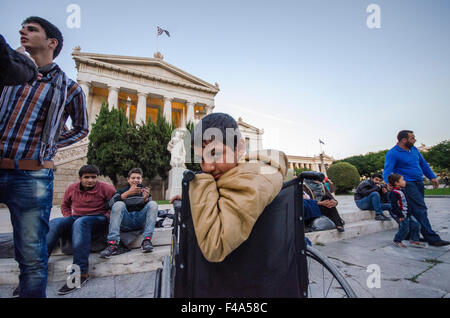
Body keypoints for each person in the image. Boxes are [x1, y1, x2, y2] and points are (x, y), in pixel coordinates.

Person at [0, 17, 89, 298]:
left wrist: (48, 146)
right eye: (22, 27)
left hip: (32, 175)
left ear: (52, 43)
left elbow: (82, 128)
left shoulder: (69, 88)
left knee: (32, 258)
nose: (22, 31)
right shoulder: (6, 73)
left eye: (31, 29)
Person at [170, 112, 288, 262]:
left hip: (243, 272)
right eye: (201, 158)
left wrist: (200, 185)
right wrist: (194, 198)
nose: (208, 167)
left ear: (239, 148)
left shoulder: (254, 179)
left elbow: (214, 245)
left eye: (215, 153)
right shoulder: (245, 173)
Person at [46, 165, 116, 295]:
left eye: (93, 177)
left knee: (81, 223)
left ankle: (80, 274)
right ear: (80, 178)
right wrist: (68, 218)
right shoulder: (72, 189)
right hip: (76, 217)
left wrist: (107, 217)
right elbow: (65, 205)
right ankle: (36, 272)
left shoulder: (106, 188)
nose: (90, 180)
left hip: (98, 218)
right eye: (86, 177)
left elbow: (116, 206)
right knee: (54, 223)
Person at [383, 130, 449, 247]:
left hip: (419, 182)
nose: (415, 140)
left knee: (412, 210)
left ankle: (408, 234)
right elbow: (388, 170)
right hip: (407, 184)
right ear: (404, 140)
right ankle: (432, 238)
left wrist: (432, 177)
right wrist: (388, 182)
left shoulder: (414, 149)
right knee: (420, 209)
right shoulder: (392, 153)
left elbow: (423, 164)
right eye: (412, 138)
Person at [100, 168, 158, 258]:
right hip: (126, 222)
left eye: (138, 178)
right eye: (133, 178)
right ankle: (112, 244)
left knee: (153, 204)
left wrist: (145, 199)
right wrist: (126, 194)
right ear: (128, 179)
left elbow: (150, 211)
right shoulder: (121, 191)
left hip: (139, 221)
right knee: (118, 204)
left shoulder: (144, 191)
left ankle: (146, 240)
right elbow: (108, 206)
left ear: (141, 179)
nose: (135, 180)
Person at [388, 174, 426, 249]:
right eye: (402, 180)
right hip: (401, 214)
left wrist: (410, 211)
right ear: (396, 183)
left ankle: (414, 240)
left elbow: (406, 202)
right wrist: (400, 215)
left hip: (408, 213)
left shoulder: (402, 190)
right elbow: (394, 206)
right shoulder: (394, 193)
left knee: (416, 225)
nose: (404, 181)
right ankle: (397, 240)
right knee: (405, 228)